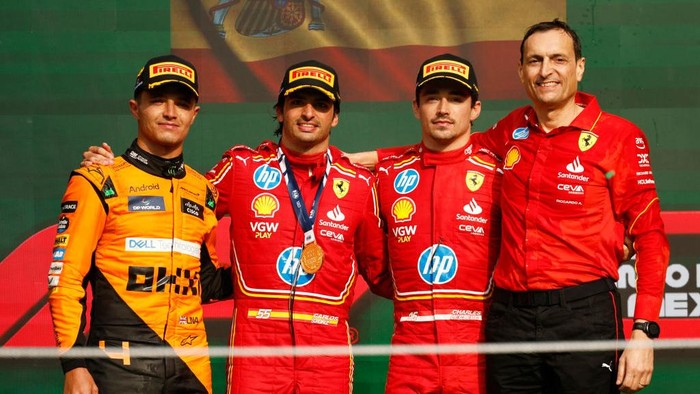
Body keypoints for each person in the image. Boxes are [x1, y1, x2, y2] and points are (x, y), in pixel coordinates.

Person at [81, 60, 391, 393]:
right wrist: (120, 173)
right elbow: (179, 204)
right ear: (279, 110)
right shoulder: (242, 168)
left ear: (336, 116)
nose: (308, 113)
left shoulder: (359, 184)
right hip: (255, 345)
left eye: (321, 105)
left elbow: (381, 274)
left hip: (326, 346)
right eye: (297, 102)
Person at [476, 19, 670, 393]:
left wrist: (644, 332)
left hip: (583, 313)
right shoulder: (510, 129)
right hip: (509, 317)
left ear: (579, 67)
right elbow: (449, 150)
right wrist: (367, 158)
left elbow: (651, 238)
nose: (545, 71)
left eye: (558, 59)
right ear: (520, 71)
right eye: (534, 61)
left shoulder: (619, 137)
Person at [48, 54, 232, 394]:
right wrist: (73, 364)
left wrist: (272, 270)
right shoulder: (99, 180)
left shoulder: (203, 190)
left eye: (182, 103)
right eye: (158, 100)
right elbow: (66, 277)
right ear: (136, 107)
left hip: (192, 366)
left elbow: (205, 282)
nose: (170, 112)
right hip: (119, 367)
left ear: (195, 113)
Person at [374, 53, 501, 393]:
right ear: (416, 107)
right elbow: (372, 261)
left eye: (456, 99)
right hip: (409, 347)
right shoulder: (387, 175)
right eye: (432, 98)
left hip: (479, 347)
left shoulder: (501, 174)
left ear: (475, 108)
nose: (443, 109)